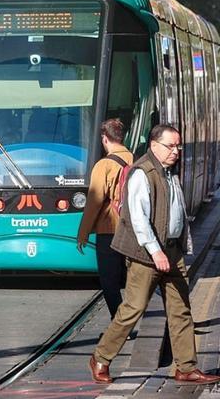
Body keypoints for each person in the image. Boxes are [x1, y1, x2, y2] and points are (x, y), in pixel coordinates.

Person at [89, 124, 220, 385]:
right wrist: (156, 251)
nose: (176, 151)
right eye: (170, 146)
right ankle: (100, 357)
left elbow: (176, 210)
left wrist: (181, 244)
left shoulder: (169, 171)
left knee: (181, 309)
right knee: (133, 308)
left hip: (171, 251)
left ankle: (186, 367)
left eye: (178, 146)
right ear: (153, 145)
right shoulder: (142, 173)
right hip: (146, 253)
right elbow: (138, 219)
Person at [76, 118, 133, 319]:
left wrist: (82, 233)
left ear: (104, 138)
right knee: (128, 278)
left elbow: (94, 201)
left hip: (109, 229)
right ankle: (127, 319)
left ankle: (120, 324)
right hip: (132, 229)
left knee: (109, 281)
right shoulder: (135, 160)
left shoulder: (104, 165)